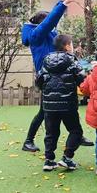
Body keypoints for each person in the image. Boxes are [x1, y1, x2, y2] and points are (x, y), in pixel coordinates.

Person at [21, 0, 93, 152]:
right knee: (44, 111)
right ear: (41, 25)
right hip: (49, 76)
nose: (53, 26)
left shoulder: (44, 34)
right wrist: (63, 5)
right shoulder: (37, 36)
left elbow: (49, 21)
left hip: (57, 73)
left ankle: (76, 134)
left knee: (69, 104)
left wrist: (60, 3)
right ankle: (29, 140)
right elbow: (48, 22)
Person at [35, 35, 86, 172]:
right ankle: (67, 157)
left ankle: (49, 160)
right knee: (76, 130)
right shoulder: (72, 60)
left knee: (51, 132)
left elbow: (39, 80)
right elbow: (81, 78)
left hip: (49, 105)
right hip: (68, 103)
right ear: (67, 46)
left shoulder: (46, 60)